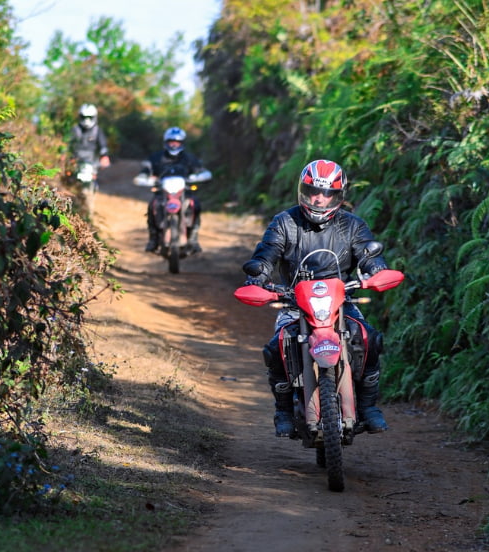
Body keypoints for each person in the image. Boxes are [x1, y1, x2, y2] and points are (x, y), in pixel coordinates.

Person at [242, 159, 390, 437]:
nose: (319, 199)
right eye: (313, 191)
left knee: (370, 338)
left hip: (342, 302)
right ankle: (283, 411)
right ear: (303, 190)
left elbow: (369, 255)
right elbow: (267, 253)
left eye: (327, 193)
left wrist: (377, 269)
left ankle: (369, 407)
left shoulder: (353, 226)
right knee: (276, 349)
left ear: (339, 196)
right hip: (294, 303)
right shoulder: (285, 222)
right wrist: (259, 275)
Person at [139, 127, 208, 254]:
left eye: (177, 142)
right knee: (152, 206)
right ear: (166, 142)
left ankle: (193, 239)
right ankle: (153, 239)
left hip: (184, 193)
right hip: (162, 193)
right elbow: (145, 170)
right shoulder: (156, 157)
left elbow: (201, 170)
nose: (174, 144)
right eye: (171, 142)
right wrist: (145, 177)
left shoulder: (189, 158)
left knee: (195, 205)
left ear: (182, 143)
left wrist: (198, 176)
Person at [70, 103, 111, 171]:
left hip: (92, 162)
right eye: (84, 117)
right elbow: (67, 144)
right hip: (76, 161)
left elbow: (103, 145)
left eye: (89, 117)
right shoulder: (75, 129)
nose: (87, 120)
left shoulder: (97, 130)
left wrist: (104, 156)